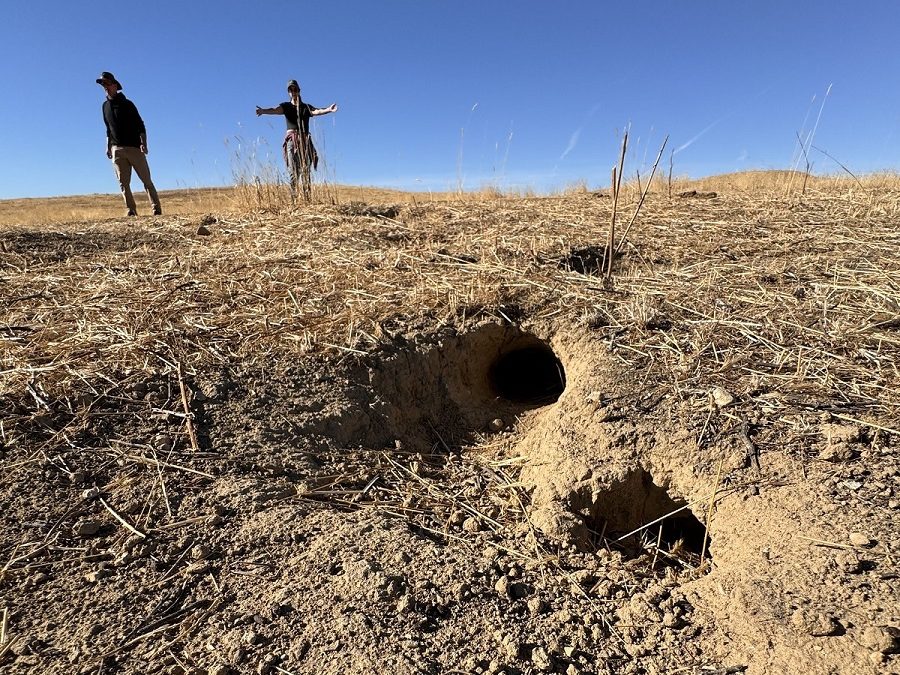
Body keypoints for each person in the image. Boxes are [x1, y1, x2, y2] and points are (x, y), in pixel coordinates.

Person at [256, 80, 338, 200]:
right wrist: (263, 111)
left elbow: (316, 111)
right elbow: (275, 110)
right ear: (288, 92)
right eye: (290, 90)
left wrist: (328, 110)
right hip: (292, 141)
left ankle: (307, 200)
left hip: (305, 141)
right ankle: (293, 200)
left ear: (299, 91)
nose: (293, 92)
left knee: (305, 171)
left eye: (295, 89)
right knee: (293, 171)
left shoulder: (306, 107)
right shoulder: (286, 106)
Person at [96, 71, 162, 217]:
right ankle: (131, 210)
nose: (105, 87)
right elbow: (108, 128)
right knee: (123, 183)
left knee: (146, 181)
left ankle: (156, 209)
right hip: (116, 150)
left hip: (134, 148)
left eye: (107, 83)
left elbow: (140, 125)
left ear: (115, 85)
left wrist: (143, 143)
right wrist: (108, 147)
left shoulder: (128, 104)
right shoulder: (104, 106)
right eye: (102, 84)